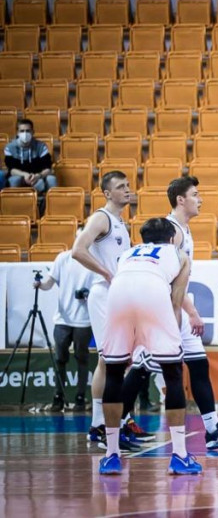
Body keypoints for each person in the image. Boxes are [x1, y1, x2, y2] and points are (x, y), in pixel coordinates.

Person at [97, 218, 200, 475]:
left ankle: (111, 455)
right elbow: (176, 301)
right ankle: (180, 455)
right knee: (173, 375)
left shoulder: (127, 254)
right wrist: (172, 342)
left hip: (117, 295)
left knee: (114, 374)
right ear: (172, 238)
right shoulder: (179, 254)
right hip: (153, 293)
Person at [165, 176, 218, 449]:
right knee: (141, 370)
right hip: (165, 310)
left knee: (199, 365)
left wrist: (189, 310)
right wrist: (192, 312)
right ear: (181, 200)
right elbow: (169, 281)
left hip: (178, 307)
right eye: (195, 195)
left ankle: (213, 430)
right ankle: (112, 426)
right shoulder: (172, 231)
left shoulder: (184, 229)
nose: (200, 200)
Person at [71, 171, 146, 452]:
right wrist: (107, 273)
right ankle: (99, 425)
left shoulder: (119, 222)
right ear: (106, 193)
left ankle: (109, 423)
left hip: (118, 295)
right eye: (121, 186)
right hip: (104, 294)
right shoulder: (101, 218)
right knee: (108, 360)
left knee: (117, 360)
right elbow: (77, 250)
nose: (127, 190)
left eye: (128, 185)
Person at [36, 245, 94, 412]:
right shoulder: (63, 258)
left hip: (84, 319)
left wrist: (88, 294)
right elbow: (49, 282)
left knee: (82, 358)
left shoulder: (94, 261)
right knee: (59, 359)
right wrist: (40, 285)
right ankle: (58, 397)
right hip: (63, 318)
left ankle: (80, 398)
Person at [4, 119, 57, 194]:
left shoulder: (41, 146)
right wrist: (25, 175)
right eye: (22, 131)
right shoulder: (10, 147)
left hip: (37, 175)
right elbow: (12, 170)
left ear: (33, 132)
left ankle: (48, 200)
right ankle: (14, 200)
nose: (25, 134)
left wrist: (38, 176)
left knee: (51, 179)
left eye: (28, 131)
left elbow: (48, 168)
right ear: (17, 133)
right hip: (19, 175)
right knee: (14, 180)